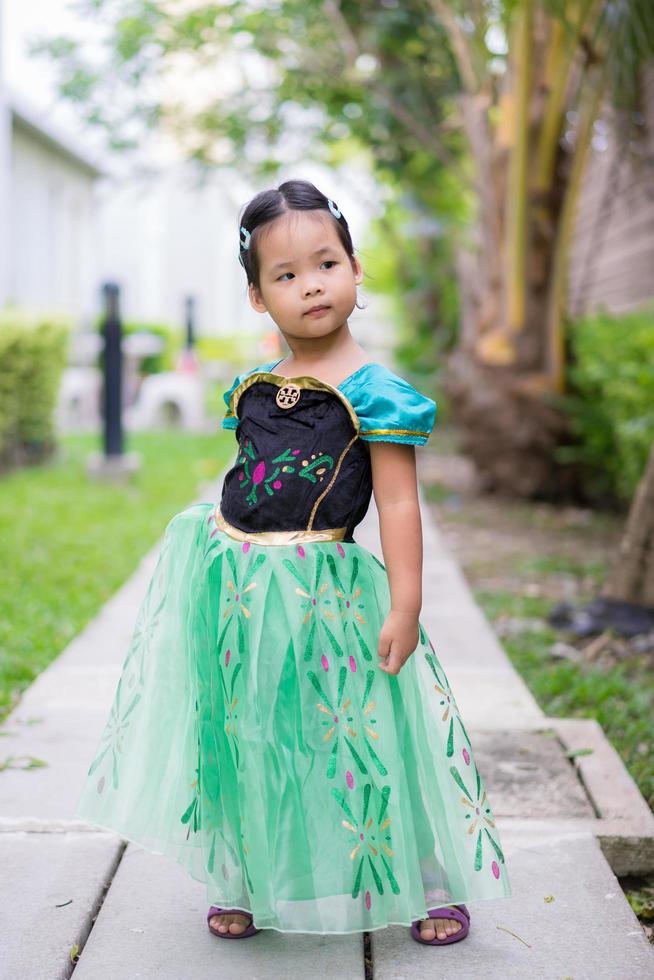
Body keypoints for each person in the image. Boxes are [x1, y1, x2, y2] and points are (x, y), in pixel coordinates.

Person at [74, 178, 510, 946]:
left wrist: (405, 604)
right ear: (256, 297)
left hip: (325, 593)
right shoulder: (252, 389)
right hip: (237, 586)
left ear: (355, 268)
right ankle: (243, 874)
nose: (311, 284)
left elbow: (399, 505)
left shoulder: (377, 394)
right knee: (249, 728)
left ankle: (423, 878)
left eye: (326, 262)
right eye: (286, 274)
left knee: (362, 732)